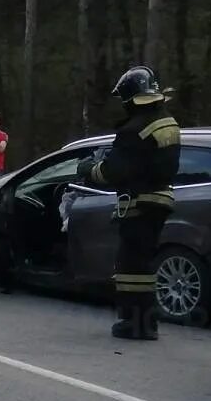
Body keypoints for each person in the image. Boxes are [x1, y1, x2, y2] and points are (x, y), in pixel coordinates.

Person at [77, 64, 181, 341]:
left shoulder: (133, 130)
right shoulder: (166, 121)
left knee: (130, 266)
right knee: (143, 264)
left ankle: (134, 323)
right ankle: (146, 321)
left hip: (139, 203)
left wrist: (89, 169)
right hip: (160, 199)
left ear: (131, 98)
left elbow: (113, 172)